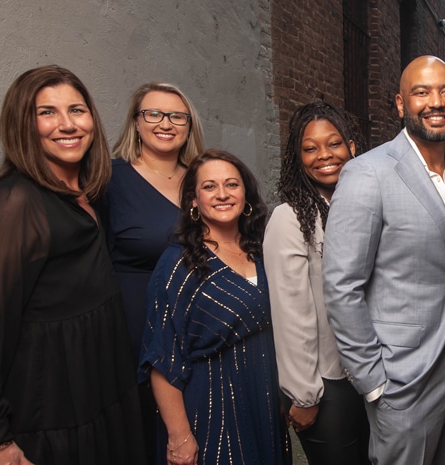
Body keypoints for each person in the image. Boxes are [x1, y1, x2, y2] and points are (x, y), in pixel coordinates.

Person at [0, 65, 144, 464]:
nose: (67, 124)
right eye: (47, 112)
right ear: (23, 124)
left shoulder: (86, 195)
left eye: (77, 110)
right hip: (45, 414)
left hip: (97, 396)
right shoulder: (12, 205)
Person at [323, 55, 445, 465]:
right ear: (400, 104)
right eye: (422, 92)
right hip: (402, 380)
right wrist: (374, 382)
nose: (436, 101)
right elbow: (343, 286)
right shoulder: (368, 173)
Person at [139, 149, 289, 465]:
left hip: (263, 400)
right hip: (211, 406)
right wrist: (179, 436)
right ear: (194, 200)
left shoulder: (262, 251)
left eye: (231, 185)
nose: (222, 194)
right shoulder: (178, 265)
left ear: (245, 193)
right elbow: (162, 359)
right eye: (209, 187)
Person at [100, 81, 205, 463]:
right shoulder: (110, 180)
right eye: (153, 113)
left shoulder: (203, 178)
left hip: (199, 329)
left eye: (178, 116)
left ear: (189, 125)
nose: (166, 123)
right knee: (146, 438)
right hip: (136, 329)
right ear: (136, 122)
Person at [264, 101, 369, 465]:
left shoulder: (361, 208)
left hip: (368, 378)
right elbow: (291, 315)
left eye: (334, 143)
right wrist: (303, 395)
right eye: (310, 148)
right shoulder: (289, 219)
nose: (324, 155)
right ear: (298, 157)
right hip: (327, 385)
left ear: (352, 148)